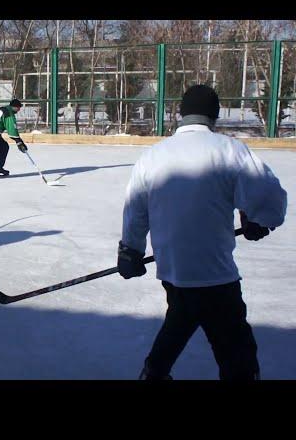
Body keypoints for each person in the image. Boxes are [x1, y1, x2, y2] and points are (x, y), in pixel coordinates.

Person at [118, 84, 287, 380]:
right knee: (235, 349)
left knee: (182, 315)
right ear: (215, 115)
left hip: (174, 271)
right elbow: (268, 197)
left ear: (181, 114)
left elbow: (136, 209)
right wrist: (258, 219)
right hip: (217, 274)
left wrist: (130, 250)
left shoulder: (152, 156)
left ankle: (154, 372)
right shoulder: (229, 150)